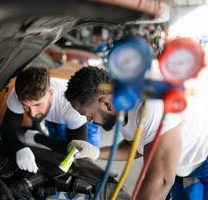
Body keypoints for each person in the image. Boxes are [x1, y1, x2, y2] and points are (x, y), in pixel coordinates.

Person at [65, 66, 208, 200]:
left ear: (106, 104)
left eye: (89, 115)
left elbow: (161, 180)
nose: (89, 122)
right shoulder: (121, 102)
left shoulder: (150, 106)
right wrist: (96, 152)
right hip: (185, 168)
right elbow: (136, 146)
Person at [0, 66, 101, 173]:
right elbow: (7, 130)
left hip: (85, 121)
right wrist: (19, 147)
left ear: (50, 93)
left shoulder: (71, 106)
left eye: (37, 104)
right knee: (56, 159)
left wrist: (38, 138)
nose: (32, 113)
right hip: (55, 118)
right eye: (25, 106)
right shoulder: (17, 96)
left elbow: (74, 150)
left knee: (83, 164)